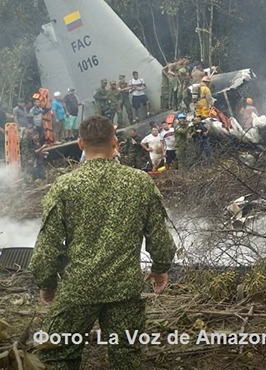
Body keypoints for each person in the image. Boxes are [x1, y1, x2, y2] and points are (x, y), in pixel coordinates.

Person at [28, 115, 176, 369]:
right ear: (115, 141)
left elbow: (47, 245)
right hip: (125, 290)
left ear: (80, 143)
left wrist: (47, 283)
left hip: (78, 290)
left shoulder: (65, 186)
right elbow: (159, 236)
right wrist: (161, 268)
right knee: (126, 356)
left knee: (57, 355)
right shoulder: (139, 182)